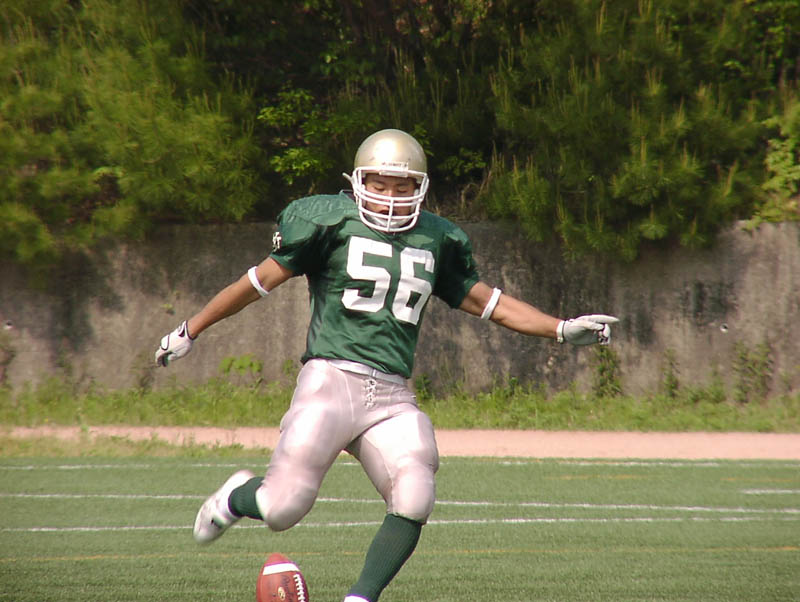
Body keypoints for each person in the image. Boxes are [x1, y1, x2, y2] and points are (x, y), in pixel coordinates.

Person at [155, 128, 618, 602]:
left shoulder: (435, 238)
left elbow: (490, 303)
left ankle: (361, 598)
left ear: (420, 187)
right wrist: (191, 330)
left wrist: (561, 329)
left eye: (402, 186)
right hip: (331, 382)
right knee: (281, 509)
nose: (391, 197)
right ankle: (236, 497)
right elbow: (254, 284)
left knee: (415, 492)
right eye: (379, 185)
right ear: (358, 183)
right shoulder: (328, 222)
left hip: (391, 395)